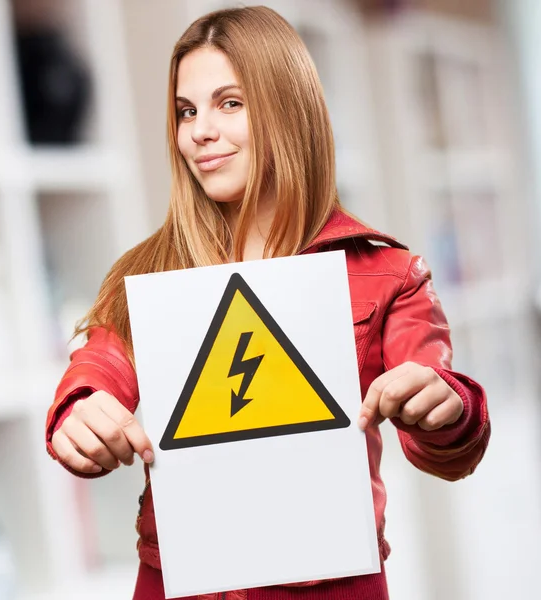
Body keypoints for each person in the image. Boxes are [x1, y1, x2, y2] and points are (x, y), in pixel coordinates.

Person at [45, 6, 490, 600]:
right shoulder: (148, 274)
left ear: (288, 109)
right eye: (186, 110)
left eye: (230, 103)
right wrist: (81, 408)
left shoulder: (389, 274)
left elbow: (449, 452)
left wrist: (446, 405)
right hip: (182, 583)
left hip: (334, 584)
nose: (199, 130)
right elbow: (98, 368)